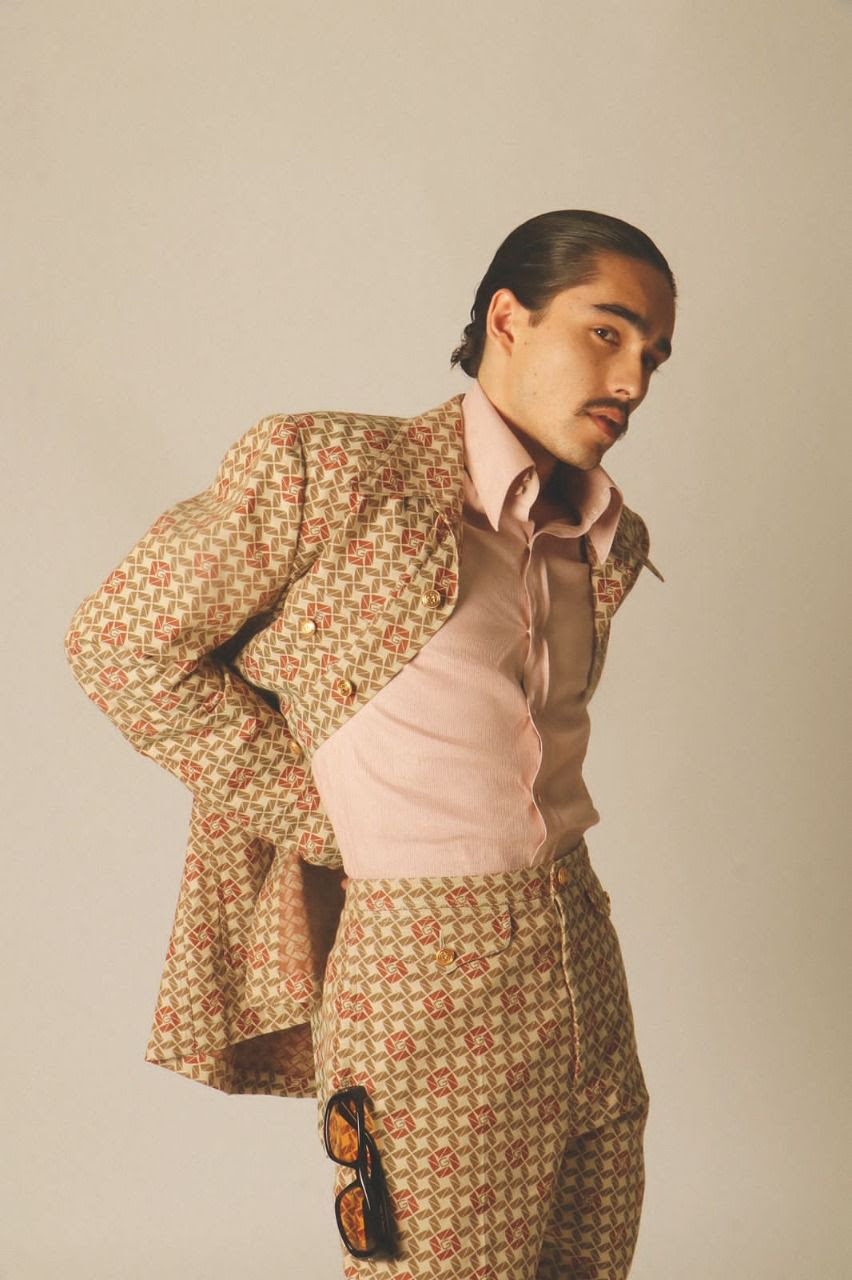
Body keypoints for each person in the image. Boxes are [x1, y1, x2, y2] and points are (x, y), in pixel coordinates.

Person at [64, 208, 676, 1279]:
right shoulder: (338, 473)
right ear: (508, 319)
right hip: (423, 965)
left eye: (654, 356)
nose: (632, 380)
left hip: (582, 942)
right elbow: (119, 642)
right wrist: (324, 813)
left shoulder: (604, 539)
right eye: (608, 332)